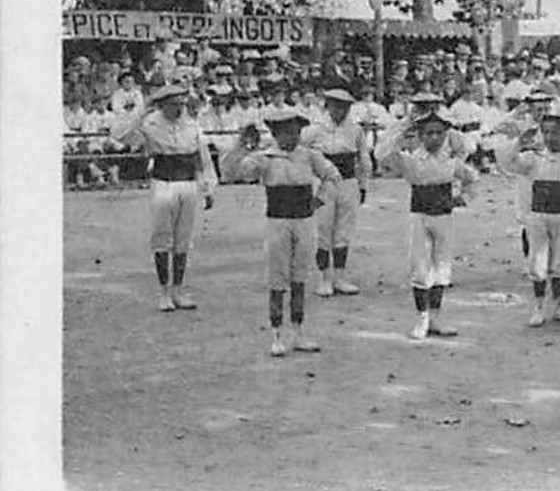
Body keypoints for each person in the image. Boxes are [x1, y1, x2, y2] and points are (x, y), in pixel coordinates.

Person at [220, 107, 341, 356]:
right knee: (277, 276)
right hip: (277, 221)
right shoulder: (265, 158)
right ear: (275, 133)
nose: (292, 137)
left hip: (304, 220)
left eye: (296, 131)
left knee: (300, 275)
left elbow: (332, 175)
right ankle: (277, 334)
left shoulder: (309, 155)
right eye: (285, 132)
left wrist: (319, 200)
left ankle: (298, 331)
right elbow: (231, 172)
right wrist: (242, 145)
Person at [109, 83, 218, 311]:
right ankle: (164, 292)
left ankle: (178, 289)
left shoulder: (191, 125)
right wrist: (142, 111)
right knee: (162, 237)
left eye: (180, 104)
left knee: (183, 239)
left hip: (188, 183)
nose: (178, 109)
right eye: (172, 105)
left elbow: (202, 159)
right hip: (163, 183)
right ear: (161, 106)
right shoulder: (150, 124)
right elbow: (120, 134)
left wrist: (208, 187)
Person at [375, 108, 478, 341]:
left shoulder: (451, 162)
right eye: (429, 133)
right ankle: (421, 317)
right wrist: (404, 126)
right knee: (420, 267)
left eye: (439, 133)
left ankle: (436, 316)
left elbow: (472, 179)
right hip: (419, 217)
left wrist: (462, 198)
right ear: (420, 136)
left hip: (444, 216)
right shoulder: (410, 160)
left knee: (442, 266)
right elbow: (382, 154)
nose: (434, 138)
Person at [494, 111, 560, 326]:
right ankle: (539, 305)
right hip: (538, 215)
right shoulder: (533, 159)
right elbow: (507, 163)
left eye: (556, 133)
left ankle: (559, 304)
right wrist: (519, 143)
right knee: (537, 261)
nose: (550, 137)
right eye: (546, 132)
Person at [301, 87, 370, 296]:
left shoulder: (355, 129)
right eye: (336, 106)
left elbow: (364, 158)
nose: (340, 111)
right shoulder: (314, 129)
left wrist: (363, 185)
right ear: (327, 106)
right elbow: (299, 153)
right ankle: (324, 278)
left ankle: (340, 277)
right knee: (323, 230)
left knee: (343, 231)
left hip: (348, 182)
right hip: (324, 183)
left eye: (345, 107)